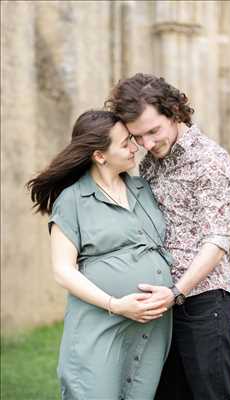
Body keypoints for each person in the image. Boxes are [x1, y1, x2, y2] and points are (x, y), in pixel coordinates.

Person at [105, 73, 230, 400]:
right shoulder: (150, 163)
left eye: (154, 131)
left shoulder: (210, 160)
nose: (148, 144)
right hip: (160, 302)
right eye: (138, 137)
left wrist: (177, 292)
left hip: (202, 300)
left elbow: (218, 238)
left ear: (175, 112)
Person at [26, 110, 174, 400]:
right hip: (101, 325)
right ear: (100, 156)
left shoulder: (143, 188)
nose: (135, 147)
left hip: (152, 330)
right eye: (125, 143)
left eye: (132, 139)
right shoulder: (72, 200)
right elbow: (63, 271)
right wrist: (116, 304)